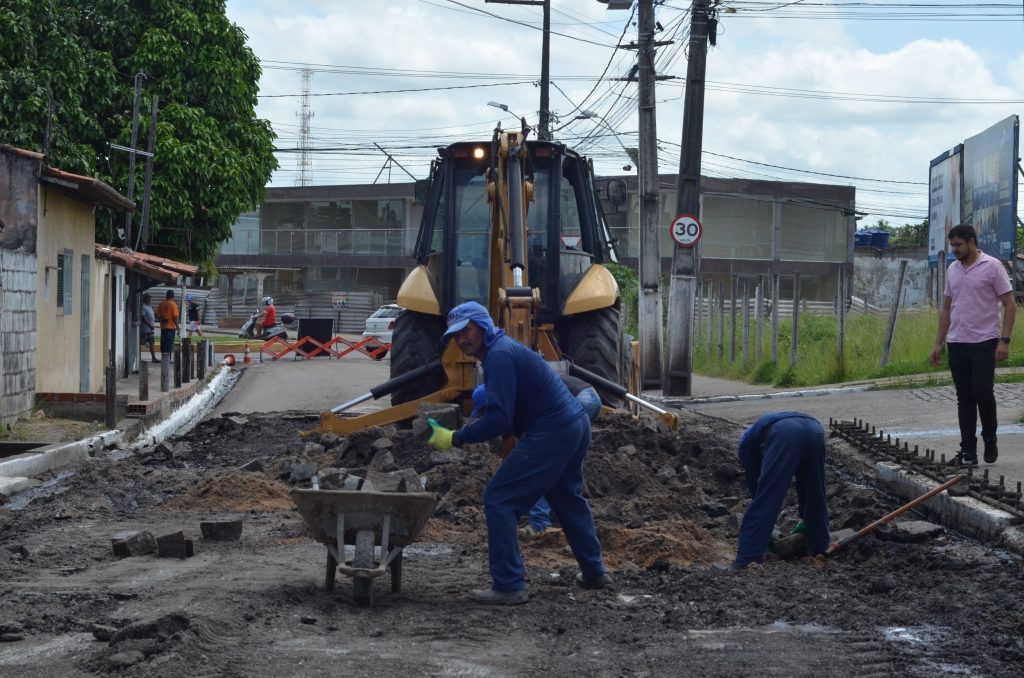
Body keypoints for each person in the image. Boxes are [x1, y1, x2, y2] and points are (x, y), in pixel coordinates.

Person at [425, 301, 609, 605]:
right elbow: (504, 417)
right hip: (573, 425)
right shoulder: (502, 350)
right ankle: (594, 571)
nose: (461, 339)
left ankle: (509, 585)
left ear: (482, 325)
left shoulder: (498, 356)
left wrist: (455, 437)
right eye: (455, 335)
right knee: (566, 499)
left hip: (553, 430)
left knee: (499, 498)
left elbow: (500, 420)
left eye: (466, 330)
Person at [469, 375, 602, 535]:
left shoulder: (510, 404)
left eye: (484, 412)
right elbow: (510, 443)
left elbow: (513, 445)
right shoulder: (513, 391)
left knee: (540, 463)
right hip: (590, 397)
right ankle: (562, 517)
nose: (485, 417)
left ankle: (539, 524)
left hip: (579, 399)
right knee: (564, 462)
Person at [930, 223, 1015, 467]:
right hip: (957, 342)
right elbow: (947, 308)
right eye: (952, 245)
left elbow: (1010, 305)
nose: (955, 250)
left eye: (958, 245)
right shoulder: (952, 269)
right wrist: (938, 343)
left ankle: (989, 436)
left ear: (971, 242)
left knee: (982, 392)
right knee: (964, 398)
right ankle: (968, 452)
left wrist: (1004, 340)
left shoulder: (992, 266)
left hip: (984, 341)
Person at [725, 412, 830, 570]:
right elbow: (804, 484)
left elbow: (759, 489)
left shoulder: (746, 445)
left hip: (784, 433)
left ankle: (747, 558)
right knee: (815, 489)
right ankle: (818, 546)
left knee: (767, 497)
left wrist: (764, 530)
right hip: (815, 430)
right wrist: (804, 518)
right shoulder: (759, 431)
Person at [155, 290, 179, 356]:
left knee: (163, 343)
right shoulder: (173, 304)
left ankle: (164, 358)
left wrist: (161, 320)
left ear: (166, 295)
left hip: (163, 327)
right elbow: (175, 318)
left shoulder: (161, 304)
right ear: (173, 296)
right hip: (171, 327)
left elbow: (156, 315)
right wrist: (178, 328)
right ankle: (168, 358)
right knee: (169, 343)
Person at [140, 293, 157, 362]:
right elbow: (143, 318)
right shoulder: (143, 307)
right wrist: (149, 325)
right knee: (141, 342)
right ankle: (139, 357)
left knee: (151, 342)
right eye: (149, 298)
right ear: (145, 299)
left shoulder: (149, 306)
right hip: (144, 329)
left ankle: (154, 358)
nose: (150, 300)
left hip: (149, 330)